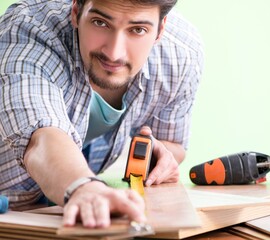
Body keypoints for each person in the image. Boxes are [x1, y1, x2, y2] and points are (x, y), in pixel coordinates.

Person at [0, 0, 203, 228]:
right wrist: (83, 188)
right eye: (100, 22)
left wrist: (161, 159)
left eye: (137, 30)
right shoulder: (28, 30)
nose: (114, 53)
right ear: (76, 11)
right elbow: (41, 138)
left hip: (60, 214)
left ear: (160, 29)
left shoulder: (181, 54)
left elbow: (172, 146)